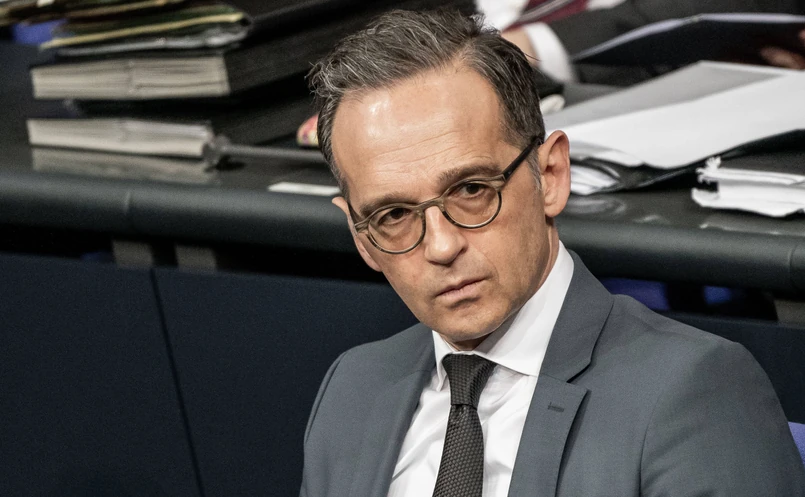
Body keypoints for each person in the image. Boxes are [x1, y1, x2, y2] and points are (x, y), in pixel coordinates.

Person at [301, 9, 805, 497]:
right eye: (393, 215)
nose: (442, 245)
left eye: (472, 190)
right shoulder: (353, 388)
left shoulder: (692, 391)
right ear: (360, 236)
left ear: (551, 176)